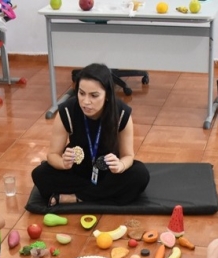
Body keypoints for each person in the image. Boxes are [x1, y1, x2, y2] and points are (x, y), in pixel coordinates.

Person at [31, 63, 150, 207]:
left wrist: (120, 165)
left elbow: (128, 156)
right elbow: (52, 155)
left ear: (107, 95)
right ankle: (101, 196)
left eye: (94, 95)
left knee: (140, 174)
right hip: (77, 171)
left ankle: (76, 198)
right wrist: (62, 163)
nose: (86, 102)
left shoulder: (121, 113)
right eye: (81, 93)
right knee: (40, 175)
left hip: (108, 173)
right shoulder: (67, 111)